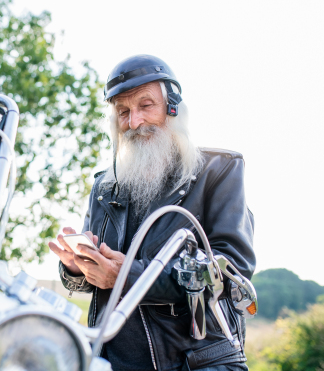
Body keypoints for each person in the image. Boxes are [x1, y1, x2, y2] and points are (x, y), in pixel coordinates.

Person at [49, 55, 256, 371]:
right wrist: (77, 267)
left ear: (172, 107)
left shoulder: (219, 171)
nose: (134, 122)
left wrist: (127, 276)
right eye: (123, 112)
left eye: (146, 106)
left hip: (195, 364)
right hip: (110, 362)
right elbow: (93, 283)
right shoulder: (104, 188)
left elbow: (232, 271)